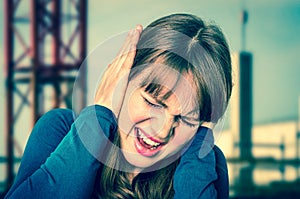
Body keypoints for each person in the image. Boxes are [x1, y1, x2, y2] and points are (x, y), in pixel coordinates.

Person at [5, 13, 232, 199]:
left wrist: (199, 145)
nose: (162, 132)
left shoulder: (202, 162)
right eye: (153, 103)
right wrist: (99, 115)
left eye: (185, 119)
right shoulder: (60, 130)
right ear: (123, 79)